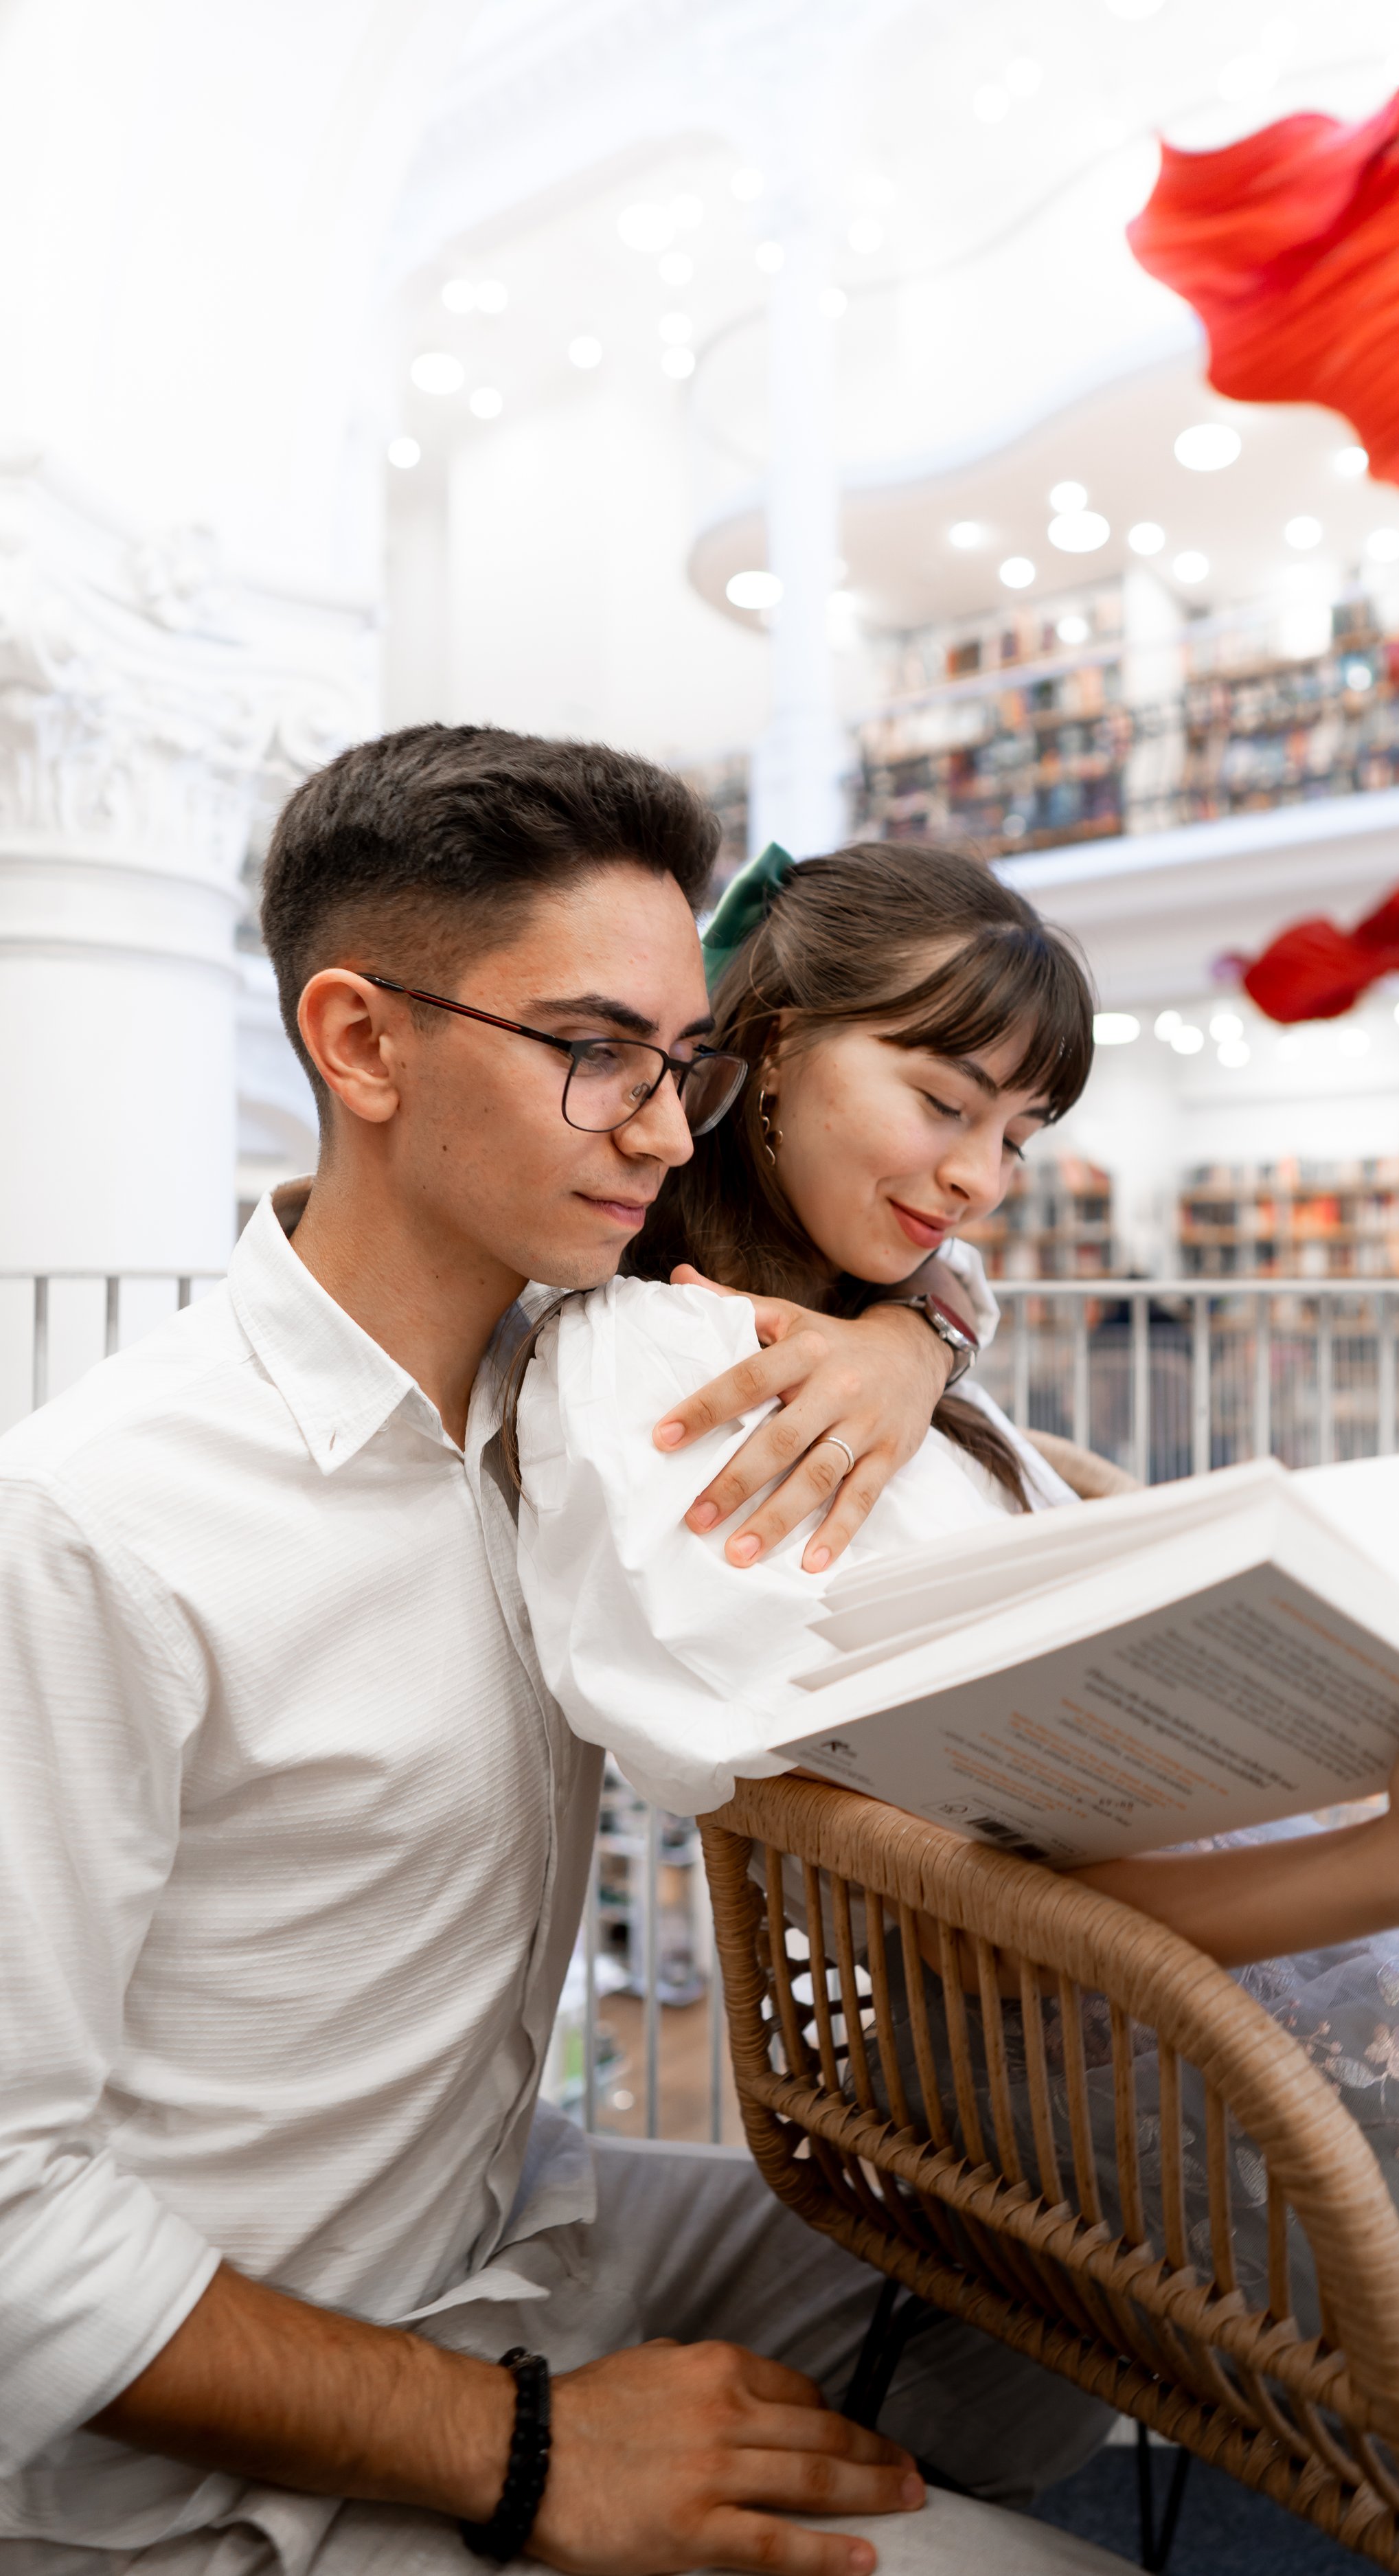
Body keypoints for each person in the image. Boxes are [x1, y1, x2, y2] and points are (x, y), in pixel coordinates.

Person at [0, 730, 1129, 2576]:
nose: (668, 1130)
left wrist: (907, 1344)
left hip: (503, 2235)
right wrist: (530, 2448)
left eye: (682, 1061)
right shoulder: (90, 1521)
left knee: (1042, 2275)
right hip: (193, 2473)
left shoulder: (572, 1380)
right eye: (593, 1052)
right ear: (359, 1041)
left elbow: (889, 1247)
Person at [515, 838, 1399, 2576]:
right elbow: (933, 1903)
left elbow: (939, 1303)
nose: (979, 1176)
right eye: (940, 1101)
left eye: (1016, 1134)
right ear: (761, 1047)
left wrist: (913, 1335)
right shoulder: (670, 1368)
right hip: (1127, 2022)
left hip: (1222, 1946)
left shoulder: (859, 1320)